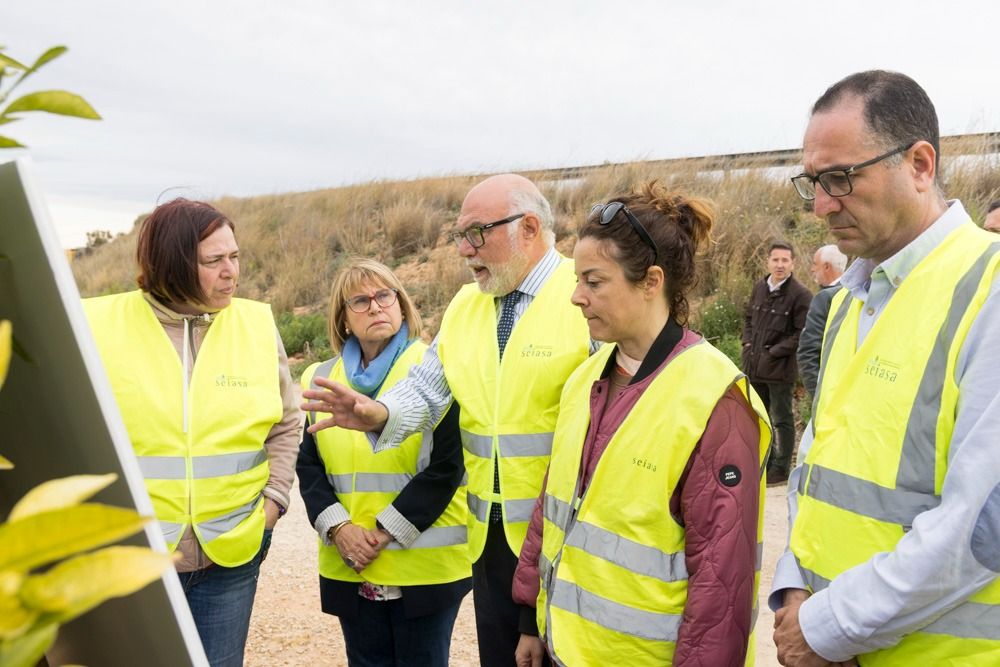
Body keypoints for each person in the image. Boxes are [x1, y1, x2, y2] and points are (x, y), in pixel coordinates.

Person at [301, 174, 592, 667]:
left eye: (477, 233)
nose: (463, 249)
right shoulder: (465, 305)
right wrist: (381, 412)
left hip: (571, 538)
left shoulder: (584, 294)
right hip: (491, 541)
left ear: (528, 227)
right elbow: (430, 389)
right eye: (460, 235)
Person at [772, 70, 1000, 666]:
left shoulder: (990, 291)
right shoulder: (852, 296)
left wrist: (825, 626)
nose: (822, 205)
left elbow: (982, 529)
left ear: (920, 164)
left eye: (841, 178)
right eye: (813, 183)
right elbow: (817, 466)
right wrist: (796, 589)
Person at [512, 181, 770, 666]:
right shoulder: (585, 379)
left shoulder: (715, 400)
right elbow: (553, 504)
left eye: (594, 281)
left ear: (651, 282)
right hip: (565, 650)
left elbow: (721, 584)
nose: (575, 297)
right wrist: (531, 617)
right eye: (576, 280)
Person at [83, 198, 299, 667]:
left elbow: (286, 421)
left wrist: (274, 501)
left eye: (235, 256)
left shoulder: (256, 325)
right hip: (133, 558)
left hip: (230, 555)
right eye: (213, 261)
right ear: (171, 263)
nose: (231, 272)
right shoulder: (96, 325)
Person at [296, 258, 470, 666]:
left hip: (424, 569)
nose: (375, 307)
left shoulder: (435, 369)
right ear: (343, 319)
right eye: (360, 300)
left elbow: (448, 465)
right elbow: (309, 467)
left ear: (401, 303)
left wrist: (382, 531)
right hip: (350, 566)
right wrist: (339, 529)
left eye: (384, 295)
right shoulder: (318, 378)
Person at [741, 241, 811, 486]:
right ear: (767, 261)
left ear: (793, 263)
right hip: (754, 366)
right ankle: (765, 462)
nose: (780, 265)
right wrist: (747, 344)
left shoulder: (801, 295)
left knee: (782, 418)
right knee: (759, 417)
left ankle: (780, 469)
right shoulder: (760, 287)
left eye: (785, 260)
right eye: (776, 260)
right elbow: (749, 318)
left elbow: (803, 332)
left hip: (780, 370)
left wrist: (774, 353)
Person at [796, 244, 847, 398]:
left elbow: (808, 351)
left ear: (826, 267)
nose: (812, 269)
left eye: (814, 264)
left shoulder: (825, 298)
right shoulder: (859, 291)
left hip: (829, 393)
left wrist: (818, 395)